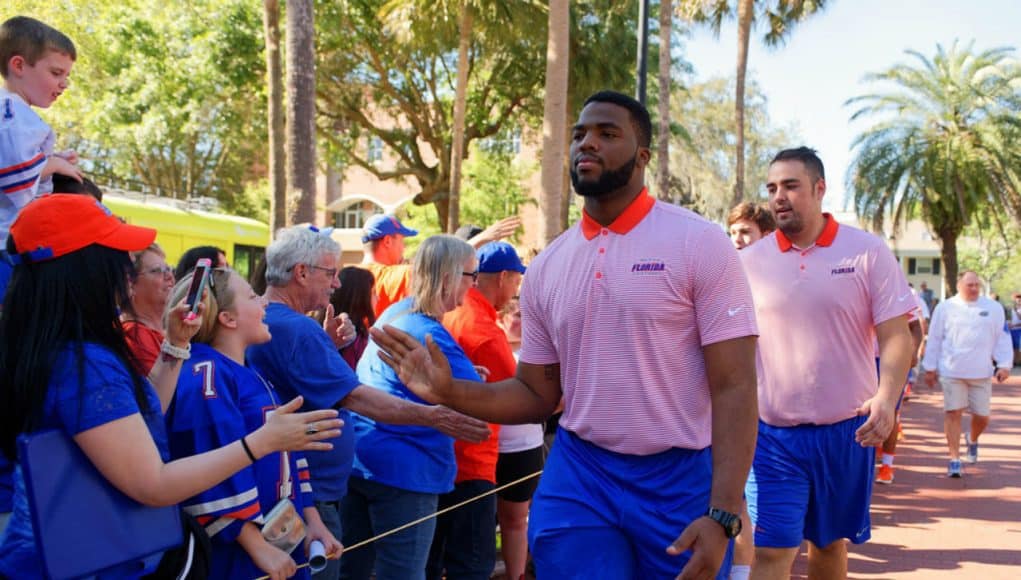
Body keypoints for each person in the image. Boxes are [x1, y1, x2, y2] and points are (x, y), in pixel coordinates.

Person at [371, 90, 758, 579]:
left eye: (607, 133)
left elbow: (736, 386)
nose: (587, 143)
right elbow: (536, 393)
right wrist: (450, 392)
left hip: (679, 478)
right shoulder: (551, 265)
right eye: (579, 134)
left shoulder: (699, 243)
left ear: (643, 157)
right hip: (581, 472)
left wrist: (723, 513)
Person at [0, 194, 342, 578]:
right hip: (89, 563)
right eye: (118, 257)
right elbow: (153, 483)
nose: (124, 271)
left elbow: (138, 424)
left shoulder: (52, 348)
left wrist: (175, 344)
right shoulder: (83, 363)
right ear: (86, 269)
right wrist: (261, 442)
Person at [247, 225, 489, 580]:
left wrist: (325, 344)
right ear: (301, 273)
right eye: (330, 273)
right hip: (318, 491)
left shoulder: (283, 322)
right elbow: (355, 396)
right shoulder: (298, 329)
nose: (337, 284)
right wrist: (435, 415)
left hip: (328, 482)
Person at [739, 147, 914, 579]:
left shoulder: (866, 252)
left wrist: (886, 400)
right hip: (772, 436)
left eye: (791, 186)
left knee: (829, 545)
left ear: (819, 189)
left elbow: (898, 335)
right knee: (772, 550)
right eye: (772, 188)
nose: (779, 196)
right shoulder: (747, 263)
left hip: (845, 432)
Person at [167, 268, 343, 580]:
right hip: (238, 556)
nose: (263, 302)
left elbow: (286, 450)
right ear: (227, 318)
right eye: (251, 296)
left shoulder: (247, 370)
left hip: (276, 541)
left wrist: (311, 519)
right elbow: (210, 467)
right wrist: (255, 545)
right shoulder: (207, 374)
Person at [343, 235, 486, 580]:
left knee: (351, 571)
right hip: (407, 470)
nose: (475, 286)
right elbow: (477, 405)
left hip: (360, 458)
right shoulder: (429, 332)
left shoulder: (397, 311)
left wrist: (465, 379)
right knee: (402, 573)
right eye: (472, 276)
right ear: (450, 277)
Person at [426, 241, 526, 580]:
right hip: (472, 462)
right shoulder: (484, 331)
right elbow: (522, 398)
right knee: (471, 566)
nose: (516, 291)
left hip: (441, 457)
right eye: (516, 281)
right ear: (502, 278)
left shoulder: (451, 310)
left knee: (434, 561)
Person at [0, 16, 81, 299]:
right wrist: (54, 165)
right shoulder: (15, 114)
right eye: (56, 73)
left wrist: (52, 159)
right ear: (19, 65)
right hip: (6, 246)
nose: (64, 84)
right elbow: (16, 181)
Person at [922, 271, 1012, 477]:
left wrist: (1004, 364)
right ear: (958, 285)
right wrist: (930, 367)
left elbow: (1002, 338)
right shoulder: (945, 308)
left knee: (982, 416)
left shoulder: (993, 308)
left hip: (981, 372)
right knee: (953, 412)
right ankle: (954, 459)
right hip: (952, 370)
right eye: (969, 285)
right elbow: (935, 338)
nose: (974, 289)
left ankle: (971, 438)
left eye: (976, 285)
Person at [725, 202, 773, 580]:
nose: (737, 240)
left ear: (767, 237)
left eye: (746, 233)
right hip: (721, 401)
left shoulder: (776, 284)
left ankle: (743, 572)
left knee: (744, 496)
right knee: (732, 493)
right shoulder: (719, 275)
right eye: (733, 233)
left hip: (766, 405)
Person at [358, 214, 522, 318]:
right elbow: (438, 265)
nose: (404, 248)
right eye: (402, 240)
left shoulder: (350, 275)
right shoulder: (395, 276)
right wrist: (482, 239)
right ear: (387, 241)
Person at [493, 296, 544, 580]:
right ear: (500, 318)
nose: (524, 323)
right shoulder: (492, 346)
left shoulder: (535, 353)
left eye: (527, 316)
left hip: (525, 445)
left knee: (516, 519)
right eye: (517, 316)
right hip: (488, 448)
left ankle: (517, 575)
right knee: (484, 520)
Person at [122, 243, 175, 375]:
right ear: (131, 283)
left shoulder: (162, 333)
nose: (169, 276)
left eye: (168, 269)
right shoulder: (135, 335)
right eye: (157, 271)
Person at [331, 266, 376, 370]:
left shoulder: (318, 327)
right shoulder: (358, 342)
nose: (378, 298)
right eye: (374, 293)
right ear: (361, 298)